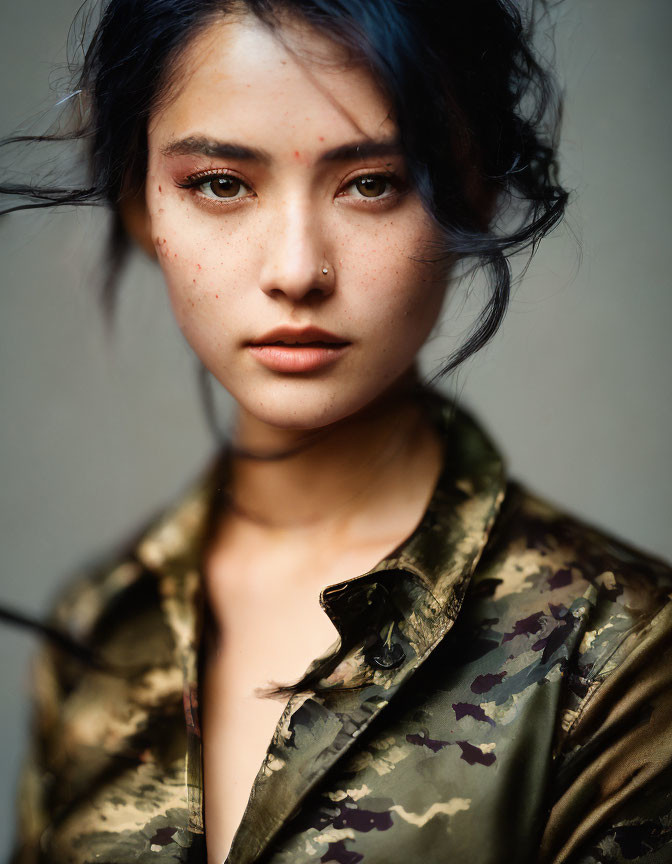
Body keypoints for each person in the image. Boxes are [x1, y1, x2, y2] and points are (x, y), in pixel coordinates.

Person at [2, 1, 671, 862]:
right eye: (221, 183)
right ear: (140, 205)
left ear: (474, 193)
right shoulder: (95, 632)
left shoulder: (616, 655)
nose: (295, 271)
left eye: (372, 183)